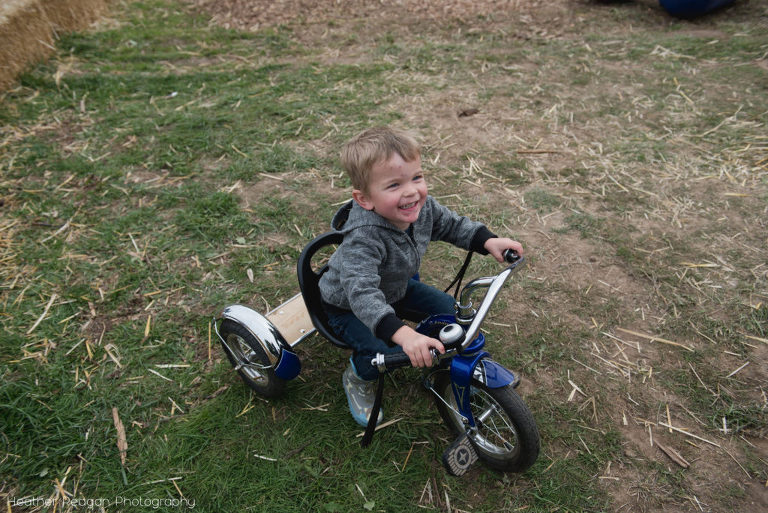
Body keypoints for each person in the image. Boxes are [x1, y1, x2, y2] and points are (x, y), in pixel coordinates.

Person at [318, 126, 524, 427]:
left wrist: (488, 241)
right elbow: (362, 294)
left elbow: (452, 225)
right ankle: (358, 375)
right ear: (364, 199)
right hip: (348, 306)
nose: (411, 191)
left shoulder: (420, 207)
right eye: (393, 185)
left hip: (397, 288)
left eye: (416, 177)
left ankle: (456, 367)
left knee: (447, 310)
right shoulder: (363, 238)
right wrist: (403, 333)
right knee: (383, 349)